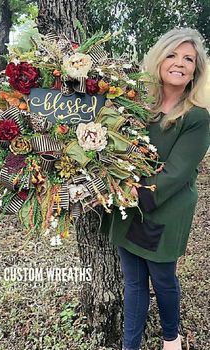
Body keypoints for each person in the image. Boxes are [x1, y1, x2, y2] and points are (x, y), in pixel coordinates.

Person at [104, 28, 210, 350]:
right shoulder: (138, 106)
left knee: (163, 279)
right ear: (159, 59)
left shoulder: (197, 117)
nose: (179, 63)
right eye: (172, 55)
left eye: (188, 58)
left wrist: (127, 191)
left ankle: (170, 337)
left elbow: (177, 172)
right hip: (128, 206)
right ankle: (130, 344)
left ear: (196, 70)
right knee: (133, 281)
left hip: (162, 211)